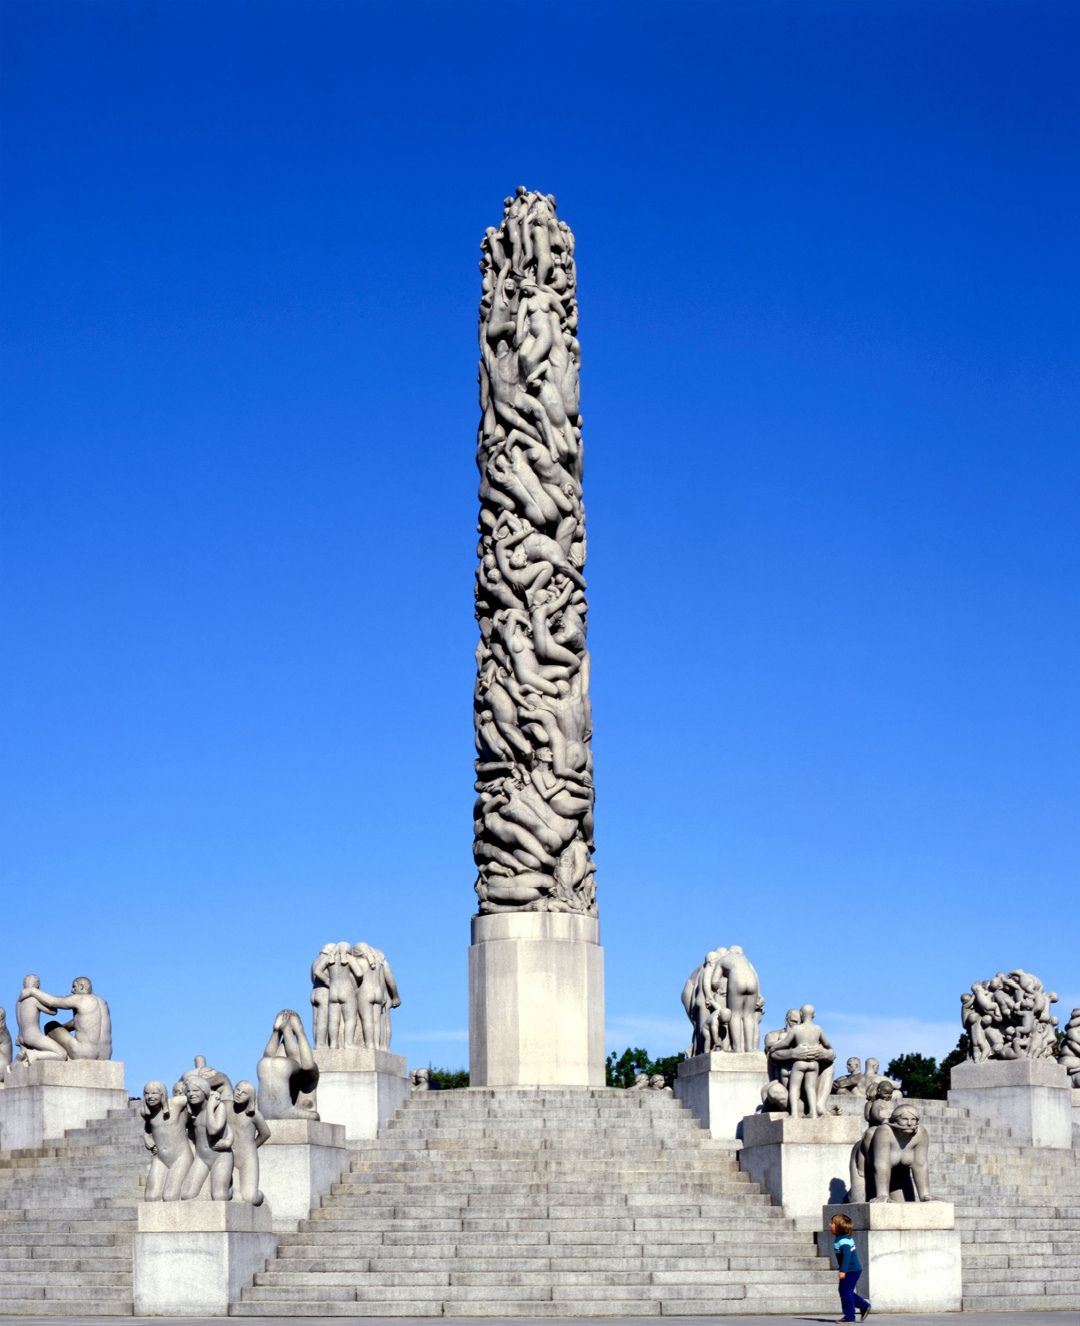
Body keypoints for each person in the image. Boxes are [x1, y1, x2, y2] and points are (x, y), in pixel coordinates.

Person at [830, 1212, 871, 1322]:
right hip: (852, 1269)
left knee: (845, 1291)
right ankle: (864, 1306)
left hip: (851, 1270)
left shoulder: (843, 1241)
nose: (830, 1225)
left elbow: (847, 1256)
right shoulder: (842, 1238)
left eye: (833, 1223)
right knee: (845, 1291)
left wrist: (843, 1270)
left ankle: (849, 1317)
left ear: (839, 1227)